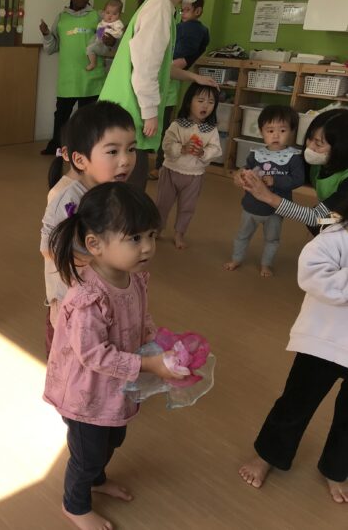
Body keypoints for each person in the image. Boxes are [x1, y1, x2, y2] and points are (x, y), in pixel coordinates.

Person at [44, 182, 186, 530]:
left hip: (114, 388)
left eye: (151, 235)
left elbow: (141, 317)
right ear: (95, 244)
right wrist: (148, 364)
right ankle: (75, 505)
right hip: (86, 393)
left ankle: (96, 479)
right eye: (135, 238)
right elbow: (93, 355)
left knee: (113, 438)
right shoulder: (88, 298)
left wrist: (156, 342)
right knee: (87, 454)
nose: (148, 246)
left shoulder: (133, 279)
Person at [238, 198, 348, 504]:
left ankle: (336, 468)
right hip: (324, 342)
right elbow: (313, 276)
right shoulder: (335, 235)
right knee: (297, 402)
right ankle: (269, 455)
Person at [99, 0, 216, 192]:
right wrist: (150, 113)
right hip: (129, 112)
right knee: (128, 190)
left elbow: (159, 65)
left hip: (123, 111)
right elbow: (145, 68)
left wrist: (194, 77)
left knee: (121, 187)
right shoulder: (160, 6)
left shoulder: (162, 5)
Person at [41, 101, 137, 356]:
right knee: (69, 360)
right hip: (70, 301)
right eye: (113, 151)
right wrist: (100, 262)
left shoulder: (112, 191)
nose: (126, 160)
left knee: (99, 352)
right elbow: (49, 248)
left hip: (100, 295)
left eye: (131, 149)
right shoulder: (67, 198)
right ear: (80, 160)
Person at [240, 109, 348, 237]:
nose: (310, 147)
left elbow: (316, 218)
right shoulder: (318, 162)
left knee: (322, 225)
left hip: (343, 214)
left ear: (341, 148)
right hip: (334, 208)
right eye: (309, 138)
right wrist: (242, 173)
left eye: (318, 144)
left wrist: (268, 197)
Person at [224, 105, 304, 277]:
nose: (276, 135)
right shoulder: (256, 154)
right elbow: (246, 169)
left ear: (292, 131)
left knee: (272, 240)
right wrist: (240, 175)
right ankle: (236, 259)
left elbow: (298, 180)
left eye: (282, 130)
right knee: (242, 235)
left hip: (275, 210)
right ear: (261, 132)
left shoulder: (294, 157)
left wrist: (275, 180)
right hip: (250, 207)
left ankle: (266, 264)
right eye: (270, 130)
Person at [39, 0, 113, 156]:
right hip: (68, 78)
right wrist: (47, 34)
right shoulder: (61, 18)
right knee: (61, 115)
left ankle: (85, 148)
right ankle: (57, 146)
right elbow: (52, 48)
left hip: (92, 77)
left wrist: (108, 41)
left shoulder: (97, 17)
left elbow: (103, 45)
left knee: (88, 117)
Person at [150, 0, 211, 180]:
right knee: (161, 128)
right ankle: (159, 165)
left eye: (187, 10)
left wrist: (162, 66)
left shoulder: (193, 30)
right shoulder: (180, 28)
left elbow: (179, 63)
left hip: (166, 88)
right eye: (181, 10)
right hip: (161, 86)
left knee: (164, 129)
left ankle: (160, 166)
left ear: (198, 11)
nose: (183, 13)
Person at [155, 83, 221, 249]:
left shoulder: (211, 130)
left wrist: (203, 153)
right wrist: (182, 148)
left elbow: (216, 149)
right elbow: (166, 144)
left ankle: (179, 234)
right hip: (170, 171)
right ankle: (157, 229)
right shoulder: (177, 125)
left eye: (211, 102)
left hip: (194, 176)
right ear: (188, 102)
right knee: (162, 204)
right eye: (200, 100)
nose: (205, 106)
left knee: (187, 207)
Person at [85, 0, 125, 72]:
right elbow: (98, 33)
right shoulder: (103, 22)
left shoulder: (117, 24)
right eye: (108, 12)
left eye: (114, 14)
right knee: (89, 47)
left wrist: (109, 31)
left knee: (90, 48)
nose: (110, 16)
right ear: (104, 13)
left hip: (108, 47)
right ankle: (94, 62)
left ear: (119, 16)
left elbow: (119, 34)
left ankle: (93, 63)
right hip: (100, 43)